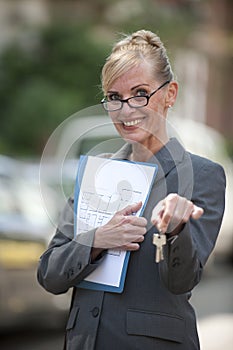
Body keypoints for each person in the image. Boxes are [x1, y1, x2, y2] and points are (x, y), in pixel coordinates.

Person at [37, 29, 226, 350]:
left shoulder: (201, 175)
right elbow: (49, 274)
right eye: (114, 97)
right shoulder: (97, 172)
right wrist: (96, 240)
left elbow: (181, 281)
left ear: (170, 94)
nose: (126, 111)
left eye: (140, 93)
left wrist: (176, 230)